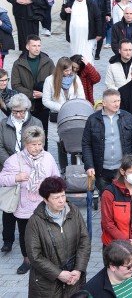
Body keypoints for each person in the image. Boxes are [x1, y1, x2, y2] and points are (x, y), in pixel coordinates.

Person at [0, 126, 59, 274]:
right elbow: (2, 179)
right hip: (24, 205)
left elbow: (56, 177)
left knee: (47, 233)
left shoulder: (48, 157)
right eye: (33, 144)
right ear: (26, 143)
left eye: (40, 144)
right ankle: (27, 260)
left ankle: (47, 259)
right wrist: (16, 178)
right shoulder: (15, 159)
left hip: (44, 204)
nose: (37, 148)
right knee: (26, 235)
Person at [24, 176, 91, 296]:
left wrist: (78, 269)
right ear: (45, 200)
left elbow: (84, 240)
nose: (61, 201)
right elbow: (34, 255)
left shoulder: (73, 211)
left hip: (73, 277)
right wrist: (58, 274)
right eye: (56, 198)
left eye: (63, 195)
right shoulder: (35, 222)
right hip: (46, 284)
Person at [0, 94, 42, 252]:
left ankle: (30, 241)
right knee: (9, 205)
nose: (18, 114)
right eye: (15, 111)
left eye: (21, 111)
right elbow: (0, 146)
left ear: (27, 109)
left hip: (30, 168)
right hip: (9, 167)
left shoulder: (36, 122)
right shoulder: (3, 124)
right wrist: (11, 163)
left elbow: (39, 144)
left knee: (27, 205)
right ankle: (8, 240)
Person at [82, 88, 132, 194]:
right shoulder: (93, 119)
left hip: (122, 168)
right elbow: (86, 144)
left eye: (118, 101)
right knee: (106, 198)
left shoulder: (127, 117)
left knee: (123, 198)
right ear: (104, 103)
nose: (117, 104)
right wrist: (89, 165)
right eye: (114, 101)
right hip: (101, 170)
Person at [10, 35, 55, 148]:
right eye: (34, 45)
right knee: (26, 136)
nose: (37, 48)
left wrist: (44, 94)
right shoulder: (18, 63)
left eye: (39, 45)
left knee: (42, 135)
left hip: (43, 106)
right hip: (26, 106)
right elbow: (15, 84)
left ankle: (43, 160)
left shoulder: (48, 61)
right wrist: (31, 94)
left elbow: (55, 82)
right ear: (27, 46)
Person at [42, 56, 85, 172]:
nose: (69, 73)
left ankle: (74, 170)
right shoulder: (50, 80)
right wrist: (63, 107)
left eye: (70, 70)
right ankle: (64, 170)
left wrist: (71, 107)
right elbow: (45, 100)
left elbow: (81, 97)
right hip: (58, 118)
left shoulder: (76, 79)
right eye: (66, 71)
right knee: (60, 145)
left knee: (74, 144)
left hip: (73, 117)